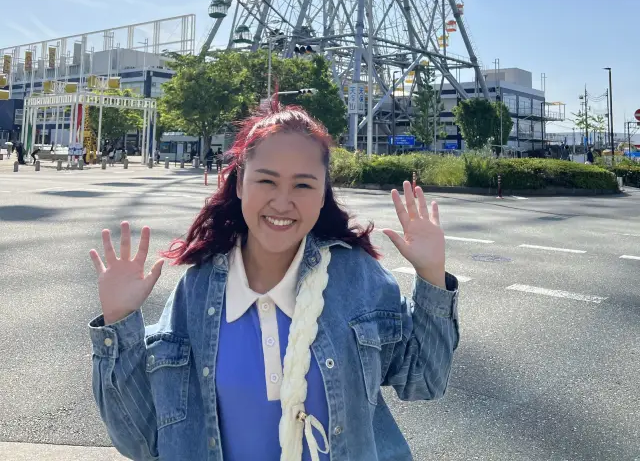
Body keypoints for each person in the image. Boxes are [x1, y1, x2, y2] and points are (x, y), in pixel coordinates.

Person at [88, 103, 459, 461]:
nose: (282, 202)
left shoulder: (356, 278)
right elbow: (142, 441)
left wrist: (432, 276)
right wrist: (119, 321)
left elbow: (423, 380)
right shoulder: (198, 292)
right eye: (266, 180)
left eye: (303, 185)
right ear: (239, 184)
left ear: (322, 194)